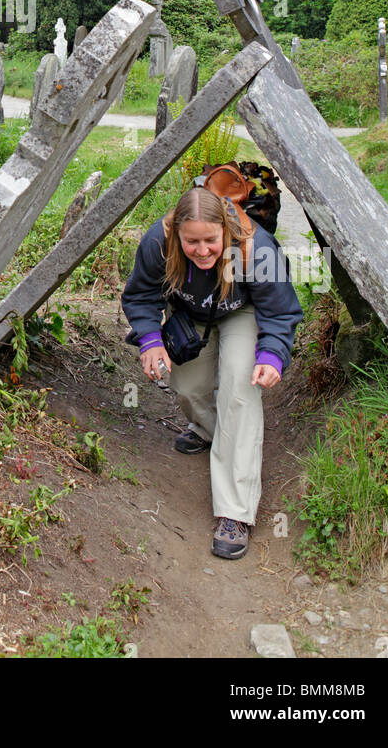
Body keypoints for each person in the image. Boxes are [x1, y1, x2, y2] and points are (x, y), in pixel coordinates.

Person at [121, 186, 302, 561]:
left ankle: (235, 513)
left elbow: (281, 310)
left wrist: (271, 354)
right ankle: (207, 429)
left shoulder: (257, 248)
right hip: (191, 313)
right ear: (177, 234)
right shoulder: (158, 241)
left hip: (242, 310)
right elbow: (140, 295)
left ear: (225, 231)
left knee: (239, 387)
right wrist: (151, 339)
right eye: (192, 242)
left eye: (210, 241)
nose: (202, 250)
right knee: (188, 386)